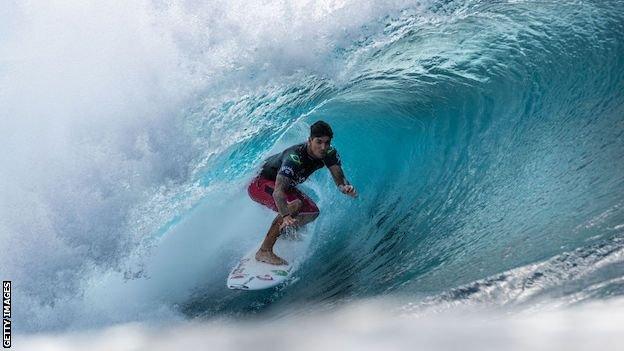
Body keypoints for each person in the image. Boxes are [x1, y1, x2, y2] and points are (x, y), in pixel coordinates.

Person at [247, 121, 357, 265]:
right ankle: (264, 251)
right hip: (259, 183)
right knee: (295, 205)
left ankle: (283, 233)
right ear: (310, 140)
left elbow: (339, 176)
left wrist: (344, 187)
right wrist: (286, 216)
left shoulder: (329, 152)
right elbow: (278, 192)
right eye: (319, 142)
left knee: (312, 212)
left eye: (327, 142)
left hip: (281, 185)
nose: (323, 147)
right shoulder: (295, 157)